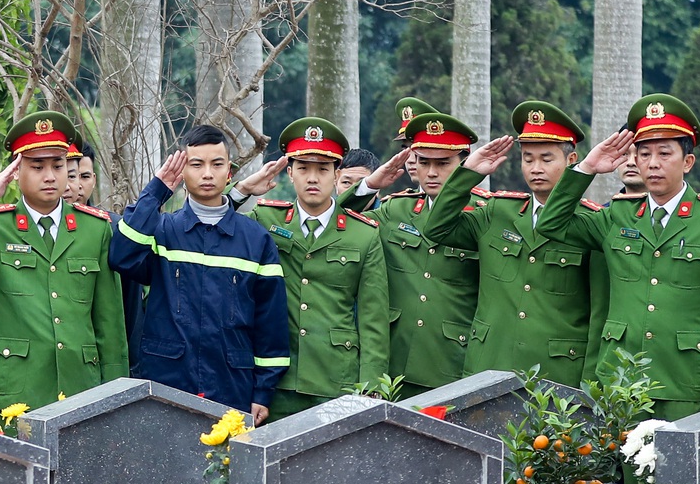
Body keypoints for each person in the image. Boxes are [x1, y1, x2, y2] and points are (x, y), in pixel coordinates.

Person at [535, 95, 700, 431]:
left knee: (682, 482)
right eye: (644, 153)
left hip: (684, 382)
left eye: (665, 154)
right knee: (629, 481)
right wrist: (587, 168)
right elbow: (549, 223)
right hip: (621, 381)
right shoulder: (618, 215)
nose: (652, 163)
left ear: (688, 161)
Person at [0, 111, 128, 411]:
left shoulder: (95, 229)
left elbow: (109, 322)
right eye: (37, 166)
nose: (50, 176)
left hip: (79, 386)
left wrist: (117, 396)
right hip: (12, 388)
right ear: (16, 171)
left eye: (58, 165)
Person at [419, 101, 607, 387]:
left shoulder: (590, 223)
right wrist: (468, 173)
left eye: (546, 159)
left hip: (556, 375)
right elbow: (437, 228)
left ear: (571, 161)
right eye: (528, 158)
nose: (535, 168)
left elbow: (598, 314)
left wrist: (591, 385)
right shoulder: (499, 212)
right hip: (490, 364)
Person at [110, 126, 287, 420]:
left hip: (232, 385)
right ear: (183, 172)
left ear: (229, 171)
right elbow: (122, 256)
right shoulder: (163, 231)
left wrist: (263, 391)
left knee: (226, 465)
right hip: (167, 381)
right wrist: (157, 191)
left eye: (216, 164)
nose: (207, 173)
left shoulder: (255, 240)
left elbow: (271, 324)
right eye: (197, 164)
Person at [232, 118, 389, 416]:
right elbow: (212, 224)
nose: (313, 178)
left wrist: (372, 386)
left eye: (322, 169)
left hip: (336, 381)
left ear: (337, 174)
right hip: (275, 381)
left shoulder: (364, 234)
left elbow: (373, 318)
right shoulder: (266, 220)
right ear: (290, 173)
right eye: (303, 169)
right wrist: (242, 190)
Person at [350, 112, 483, 394]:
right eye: (424, 162)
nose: (431, 172)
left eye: (443, 163)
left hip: (451, 364)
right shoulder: (397, 209)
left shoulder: (484, 215)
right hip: (392, 363)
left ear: (464, 164)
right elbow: (337, 222)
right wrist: (369, 186)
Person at [66, 140, 100, 206]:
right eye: (71, 176)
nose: (78, 185)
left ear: (94, 180)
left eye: (85, 177)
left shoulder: (104, 216)